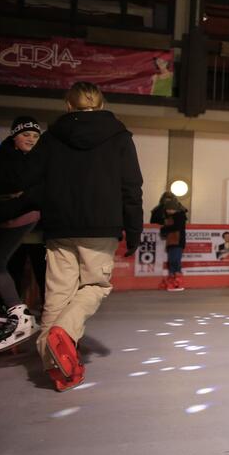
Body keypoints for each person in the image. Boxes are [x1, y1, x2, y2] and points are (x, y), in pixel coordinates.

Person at [26, 82, 143, 391]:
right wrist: (134, 231)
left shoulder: (51, 138)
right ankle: (63, 333)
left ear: (68, 106)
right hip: (100, 227)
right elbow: (131, 187)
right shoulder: (119, 137)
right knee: (96, 286)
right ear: (101, 104)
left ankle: (56, 369)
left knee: (58, 294)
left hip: (59, 226)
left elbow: (31, 179)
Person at [0, 116, 44, 353]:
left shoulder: (24, 160)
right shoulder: (9, 156)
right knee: (0, 265)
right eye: (26, 135)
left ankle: (18, 314)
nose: (31, 139)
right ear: (14, 136)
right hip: (16, 217)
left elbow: (18, 193)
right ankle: (12, 312)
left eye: (35, 135)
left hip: (20, 218)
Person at [150, 192, 187, 292]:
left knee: (175, 260)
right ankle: (172, 278)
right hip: (171, 242)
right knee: (172, 260)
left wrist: (164, 229)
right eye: (168, 209)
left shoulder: (179, 216)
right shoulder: (166, 216)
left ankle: (177, 280)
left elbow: (177, 227)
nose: (169, 211)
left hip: (177, 242)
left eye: (171, 209)